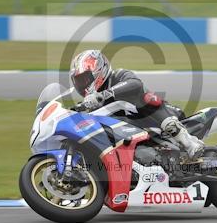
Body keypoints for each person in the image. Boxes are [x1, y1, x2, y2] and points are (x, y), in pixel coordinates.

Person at [70, 49, 204, 162]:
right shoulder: (91, 103)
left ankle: (189, 142)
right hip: (134, 134)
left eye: (85, 79)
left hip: (161, 116)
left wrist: (105, 95)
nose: (82, 84)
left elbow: (135, 84)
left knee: (145, 97)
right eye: (79, 81)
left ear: (98, 70)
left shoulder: (118, 75)